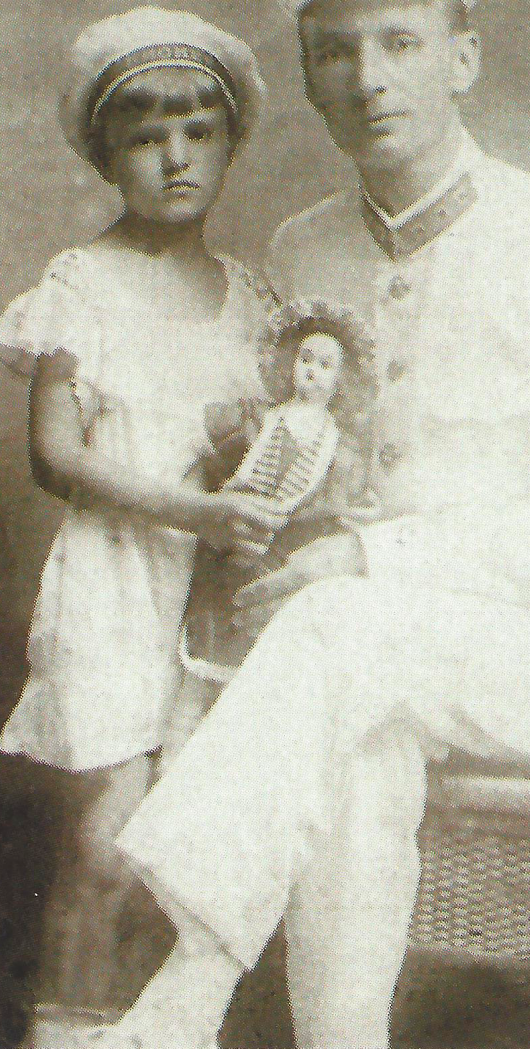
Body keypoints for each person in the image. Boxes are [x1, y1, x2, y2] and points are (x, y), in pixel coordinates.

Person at [96, 0, 530, 1049]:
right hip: (362, 665)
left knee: (344, 633)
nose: (369, 78)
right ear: (310, 80)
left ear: (463, 58)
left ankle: (179, 993)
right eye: (336, 52)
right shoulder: (303, 249)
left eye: (401, 43)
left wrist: (372, 556)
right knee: (357, 730)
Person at [0, 6, 278, 1047]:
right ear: (108, 156)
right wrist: (192, 509)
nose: (176, 157)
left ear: (229, 143)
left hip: (212, 603)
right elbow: (54, 455)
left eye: (199, 132)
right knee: (105, 849)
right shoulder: (82, 285)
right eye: (147, 137)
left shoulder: (251, 299)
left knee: (188, 851)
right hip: (116, 588)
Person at [165, 301, 377, 764]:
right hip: (228, 555)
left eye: (325, 365)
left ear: (341, 379)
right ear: (288, 363)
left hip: (282, 559)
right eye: (305, 359)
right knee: (199, 669)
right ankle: (174, 764)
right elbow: (200, 454)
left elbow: (341, 509)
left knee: (259, 682)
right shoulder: (258, 419)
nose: (312, 371)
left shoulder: (340, 449)